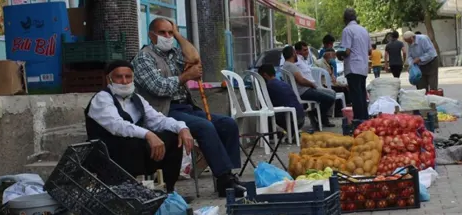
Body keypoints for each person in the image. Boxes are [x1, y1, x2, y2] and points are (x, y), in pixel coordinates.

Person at [132, 17, 244, 197]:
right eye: (163, 33)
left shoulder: (174, 53)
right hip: (164, 111)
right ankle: (224, 180)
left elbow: (194, 58)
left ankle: (229, 174)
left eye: (170, 33)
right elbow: (159, 88)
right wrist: (185, 77)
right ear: (151, 35)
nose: (167, 36)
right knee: (205, 127)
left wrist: (178, 35)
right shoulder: (143, 58)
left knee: (227, 123)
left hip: (187, 107)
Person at [85, 60, 190, 193]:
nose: (124, 81)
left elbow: (158, 120)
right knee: (135, 141)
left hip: (134, 154)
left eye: (128, 77)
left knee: (173, 138)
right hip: (109, 155)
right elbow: (118, 126)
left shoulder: (137, 99)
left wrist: (182, 127)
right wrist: (149, 134)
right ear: (109, 79)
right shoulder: (102, 98)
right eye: (119, 77)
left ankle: (168, 192)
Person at [281, 46, 336, 129]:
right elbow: (301, 80)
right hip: (303, 91)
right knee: (330, 98)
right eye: (295, 53)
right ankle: (315, 114)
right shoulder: (292, 66)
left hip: (301, 90)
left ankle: (320, 117)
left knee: (330, 94)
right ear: (293, 54)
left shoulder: (285, 65)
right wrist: (311, 84)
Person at [340, 8, 371, 121]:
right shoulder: (364, 30)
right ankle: (365, 118)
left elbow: (346, 51)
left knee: (355, 95)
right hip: (363, 67)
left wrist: (339, 54)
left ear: (345, 19)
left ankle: (359, 120)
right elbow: (369, 51)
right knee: (362, 94)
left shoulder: (347, 30)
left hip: (353, 67)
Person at [257, 63, 305, 132]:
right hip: (300, 119)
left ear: (264, 75)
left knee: (265, 112)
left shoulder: (269, 86)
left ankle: (271, 136)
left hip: (291, 120)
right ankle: (291, 133)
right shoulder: (283, 83)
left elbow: (263, 105)